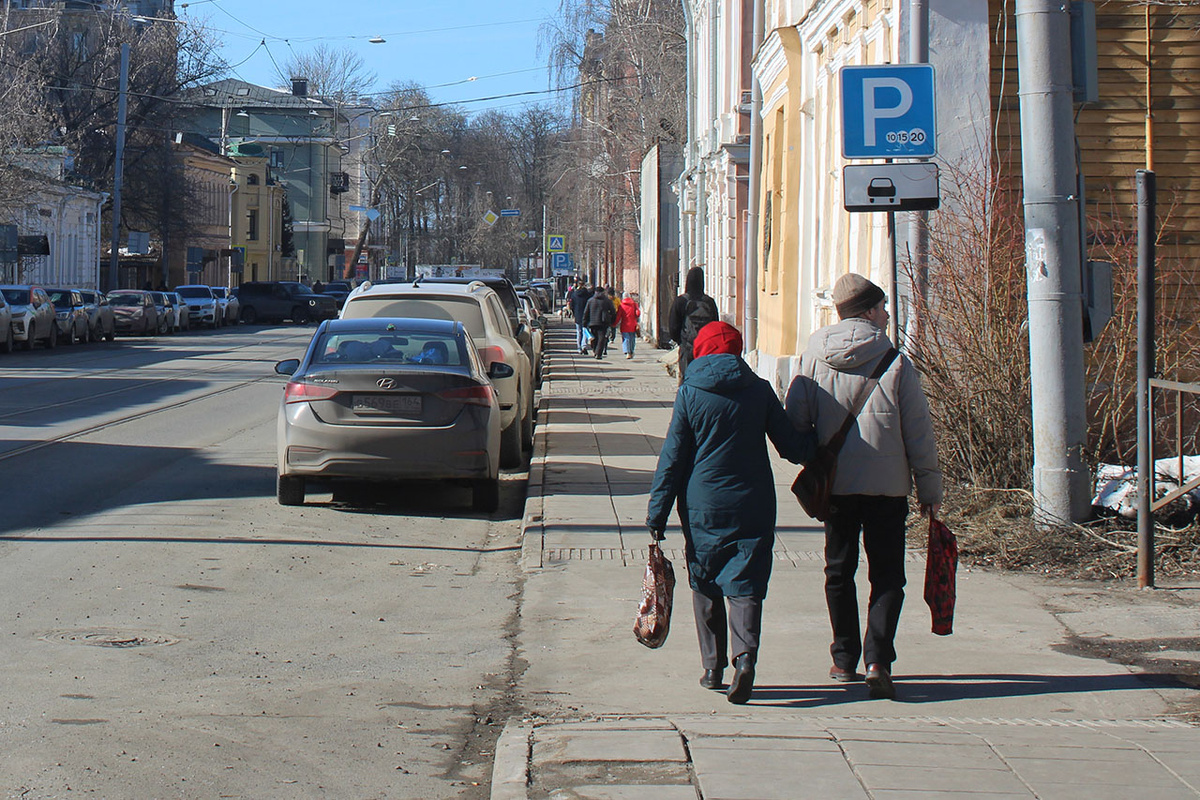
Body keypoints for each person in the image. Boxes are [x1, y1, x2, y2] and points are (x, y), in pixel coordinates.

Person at [784, 273, 942, 701]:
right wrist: (929, 490)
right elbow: (919, 432)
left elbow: (796, 421)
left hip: (836, 486)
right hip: (888, 488)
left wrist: (816, 457)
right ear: (869, 311)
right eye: (883, 307)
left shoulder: (814, 354)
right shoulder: (894, 360)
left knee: (838, 571)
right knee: (887, 574)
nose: (887, 314)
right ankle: (878, 661)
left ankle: (843, 657)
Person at [647, 321, 815, 705]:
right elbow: (792, 447)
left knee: (705, 580)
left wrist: (657, 513)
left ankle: (712, 668)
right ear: (738, 351)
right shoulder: (759, 390)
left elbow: (673, 458)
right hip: (753, 502)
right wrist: (820, 440)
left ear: (701, 351)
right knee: (746, 583)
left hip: (702, 505)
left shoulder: (691, 392)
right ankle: (745, 658)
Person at [668, 267, 719, 383]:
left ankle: (686, 393)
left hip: (687, 346)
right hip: (706, 347)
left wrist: (681, 341)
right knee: (704, 377)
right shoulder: (709, 302)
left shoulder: (681, 301)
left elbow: (673, 327)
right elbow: (715, 325)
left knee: (686, 377)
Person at [583, 286, 615, 358]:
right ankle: (598, 353)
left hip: (592, 322)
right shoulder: (607, 301)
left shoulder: (590, 301)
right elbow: (613, 311)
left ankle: (595, 350)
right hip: (603, 322)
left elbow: (586, 312)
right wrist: (612, 321)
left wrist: (584, 322)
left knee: (594, 337)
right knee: (601, 338)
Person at [569, 280, 593, 354]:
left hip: (578, 315)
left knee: (579, 332)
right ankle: (584, 346)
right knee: (585, 330)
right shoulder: (588, 294)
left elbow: (571, 305)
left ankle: (579, 347)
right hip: (586, 315)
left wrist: (574, 313)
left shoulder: (574, 294)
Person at [617, 292, 641, 359]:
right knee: (632, 338)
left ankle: (627, 352)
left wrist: (614, 323)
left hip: (624, 325)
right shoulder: (634, 304)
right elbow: (638, 313)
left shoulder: (621, 305)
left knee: (626, 338)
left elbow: (618, 316)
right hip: (633, 324)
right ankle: (631, 351)